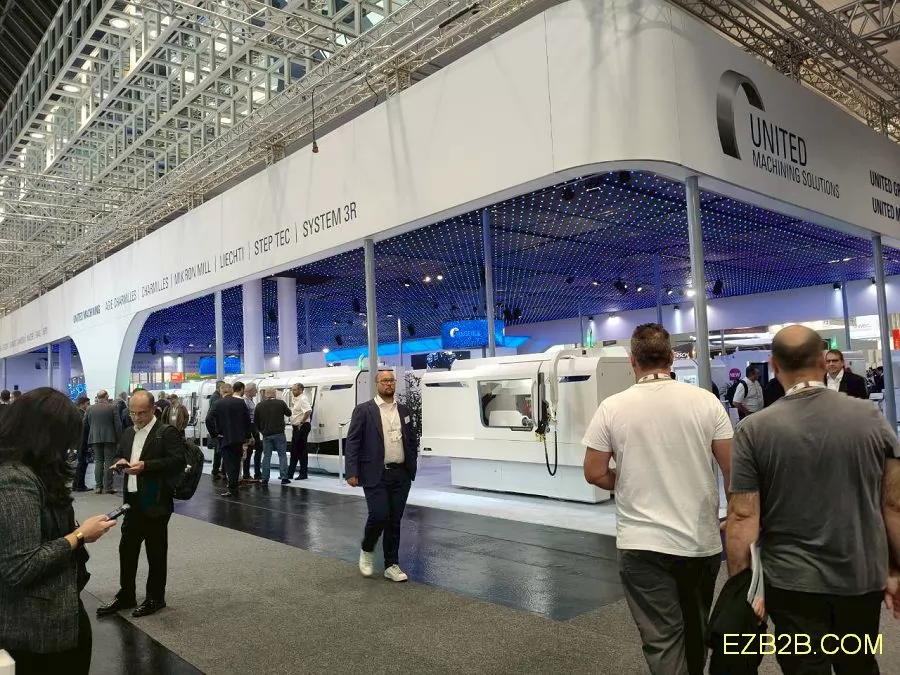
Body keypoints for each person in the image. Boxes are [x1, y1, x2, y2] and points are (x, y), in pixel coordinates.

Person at [726, 325, 900, 675]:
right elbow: (893, 504)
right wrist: (896, 569)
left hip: (791, 582)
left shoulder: (753, 430)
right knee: (858, 662)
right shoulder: (870, 417)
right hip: (859, 575)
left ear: (773, 366)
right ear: (823, 362)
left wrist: (744, 590)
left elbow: (743, 517)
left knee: (804, 666)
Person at [582, 323, 733, 675]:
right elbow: (733, 470)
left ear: (632, 360)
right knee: (696, 629)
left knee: (662, 638)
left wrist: (628, 481)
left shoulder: (612, 407)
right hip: (699, 541)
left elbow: (594, 472)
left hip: (641, 544)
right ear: (671, 359)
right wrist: (737, 519)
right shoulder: (706, 402)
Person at [0, 388, 117, 675]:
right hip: (35, 627)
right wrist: (79, 536)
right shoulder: (15, 479)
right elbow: (20, 566)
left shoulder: (33, 471)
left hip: (53, 614)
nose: (67, 449)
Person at [97, 390, 185, 619]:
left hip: (157, 501)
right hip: (132, 502)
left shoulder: (166, 432)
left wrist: (146, 466)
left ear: (153, 409)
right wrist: (119, 462)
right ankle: (126, 594)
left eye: (142, 413)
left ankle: (156, 597)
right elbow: (119, 454)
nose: (136, 418)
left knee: (156, 553)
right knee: (127, 550)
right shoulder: (128, 432)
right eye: (133, 413)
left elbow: (177, 462)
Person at [345, 370, 419, 582]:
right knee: (379, 515)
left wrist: (412, 462)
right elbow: (353, 442)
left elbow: (411, 439)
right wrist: (352, 471)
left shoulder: (404, 410)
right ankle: (367, 550)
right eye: (384, 380)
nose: (389, 384)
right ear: (377, 384)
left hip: (401, 474)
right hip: (375, 473)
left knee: (394, 520)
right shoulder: (364, 410)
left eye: (391, 380)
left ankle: (391, 564)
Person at [205, 382, 251, 498]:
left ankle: (232, 488)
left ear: (221, 391)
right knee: (236, 462)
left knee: (229, 464)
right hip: (239, 438)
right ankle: (234, 486)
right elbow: (247, 420)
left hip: (224, 438)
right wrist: (247, 436)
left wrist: (214, 434)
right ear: (231, 391)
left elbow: (208, 419)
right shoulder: (240, 402)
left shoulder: (217, 403)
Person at [84, 389, 123, 494]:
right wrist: (120, 439)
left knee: (98, 462)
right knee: (109, 462)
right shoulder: (112, 407)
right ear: (106, 397)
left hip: (95, 439)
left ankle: (98, 487)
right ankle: (107, 487)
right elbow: (118, 425)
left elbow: (85, 424)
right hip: (110, 438)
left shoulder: (89, 408)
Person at [254, 388, 292, 485]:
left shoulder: (259, 405)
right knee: (282, 455)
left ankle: (265, 479)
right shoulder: (280, 403)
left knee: (266, 456)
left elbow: (256, 421)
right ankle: (284, 478)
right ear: (274, 394)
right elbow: (289, 413)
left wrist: (262, 430)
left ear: (265, 394)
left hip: (266, 435)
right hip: (279, 433)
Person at [288, 383, 312, 480]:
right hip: (297, 427)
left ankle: (302, 473)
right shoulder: (296, 399)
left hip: (302, 426)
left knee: (301, 450)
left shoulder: (302, 399)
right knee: (295, 450)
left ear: (301, 390)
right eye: (292, 390)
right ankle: (290, 473)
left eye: (295, 390)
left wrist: (301, 422)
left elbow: (308, 411)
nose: (293, 391)